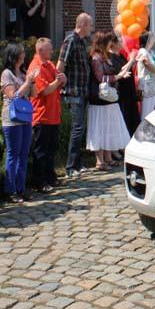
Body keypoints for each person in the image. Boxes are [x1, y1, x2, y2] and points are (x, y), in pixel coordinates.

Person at [0, 44, 38, 203]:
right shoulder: (6, 74)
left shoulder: (23, 73)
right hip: (12, 119)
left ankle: (21, 187)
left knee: (23, 153)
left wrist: (32, 81)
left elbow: (34, 94)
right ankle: (10, 190)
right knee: (13, 154)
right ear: (14, 56)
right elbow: (13, 95)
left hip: (25, 117)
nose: (24, 56)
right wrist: (27, 82)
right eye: (22, 53)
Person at [87, 32, 130, 170]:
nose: (110, 45)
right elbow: (100, 78)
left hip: (110, 98)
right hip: (99, 99)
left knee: (109, 127)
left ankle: (108, 157)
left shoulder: (105, 57)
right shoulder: (96, 58)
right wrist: (117, 77)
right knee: (100, 128)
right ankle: (100, 161)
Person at [58, 13, 93, 179]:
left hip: (82, 91)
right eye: (90, 25)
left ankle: (77, 163)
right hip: (74, 91)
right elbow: (61, 64)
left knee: (80, 128)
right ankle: (70, 166)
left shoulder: (82, 42)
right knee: (77, 128)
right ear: (83, 25)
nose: (91, 29)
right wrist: (60, 85)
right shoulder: (70, 40)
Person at [28, 38, 65, 193]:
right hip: (41, 115)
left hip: (53, 114)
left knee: (51, 148)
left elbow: (60, 78)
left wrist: (62, 79)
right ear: (40, 50)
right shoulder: (36, 67)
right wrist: (58, 82)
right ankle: (40, 181)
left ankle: (51, 177)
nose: (52, 51)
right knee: (41, 151)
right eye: (49, 49)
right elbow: (45, 90)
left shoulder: (49, 64)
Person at [114, 45, 140, 137]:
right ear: (113, 43)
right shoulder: (111, 57)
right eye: (119, 41)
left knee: (133, 117)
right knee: (125, 118)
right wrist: (131, 60)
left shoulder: (120, 55)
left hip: (130, 92)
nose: (122, 43)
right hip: (122, 93)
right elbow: (120, 71)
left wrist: (133, 61)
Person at [136, 32, 155, 118]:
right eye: (152, 39)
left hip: (152, 85)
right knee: (145, 112)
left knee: (150, 111)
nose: (154, 41)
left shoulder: (151, 51)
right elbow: (147, 63)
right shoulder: (143, 51)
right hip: (146, 85)